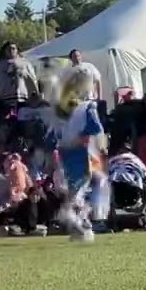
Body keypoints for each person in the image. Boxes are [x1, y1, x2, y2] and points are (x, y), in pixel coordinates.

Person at [47, 67, 109, 242]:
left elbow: (54, 134)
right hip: (83, 153)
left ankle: (81, 225)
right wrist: (100, 145)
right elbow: (96, 128)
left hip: (66, 153)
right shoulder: (87, 107)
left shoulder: (60, 109)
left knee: (77, 189)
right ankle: (73, 217)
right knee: (85, 187)